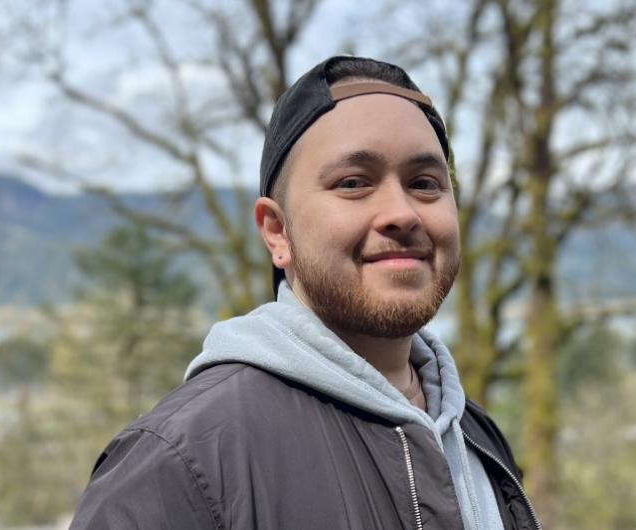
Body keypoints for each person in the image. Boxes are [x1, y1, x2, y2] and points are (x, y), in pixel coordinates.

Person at [69, 56, 541, 530]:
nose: (402, 212)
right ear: (277, 232)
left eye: (424, 184)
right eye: (353, 183)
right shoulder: (181, 468)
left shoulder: (477, 438)